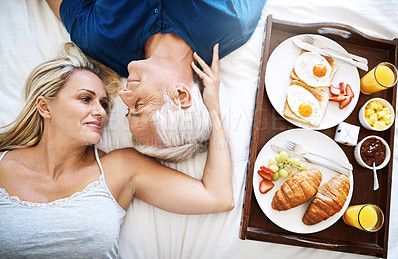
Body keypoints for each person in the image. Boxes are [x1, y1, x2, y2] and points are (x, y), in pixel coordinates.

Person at [0, 42, 233, 258]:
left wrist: (213, 109)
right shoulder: (3, 166)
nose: (101, 113)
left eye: (103, 104)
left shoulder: (120, 169)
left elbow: (218, 197)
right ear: (44, 106)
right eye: (85, 99)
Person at [45, 0, 267, 162]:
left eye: (127, 110)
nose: (123, 95)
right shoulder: (231, 21)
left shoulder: (98, 42)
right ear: (181, 95)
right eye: (138, 106)